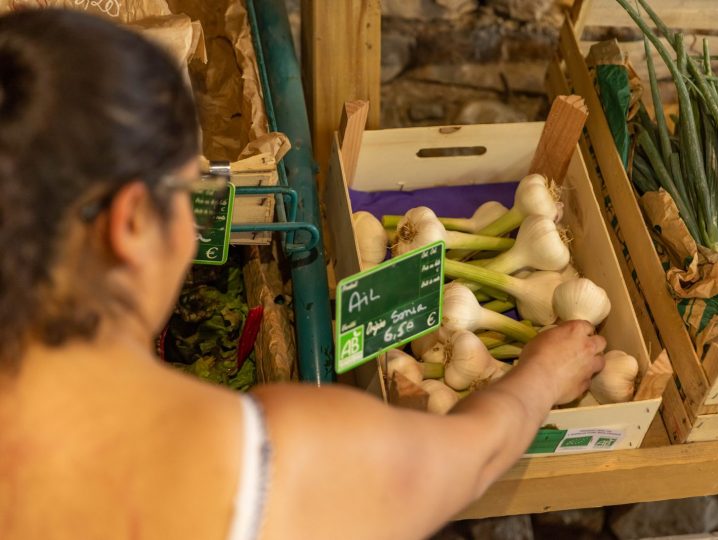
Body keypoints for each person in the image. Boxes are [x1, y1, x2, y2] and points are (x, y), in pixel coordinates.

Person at [0, 8, 606, 540]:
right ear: (131, 224)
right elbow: (470, 458)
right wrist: (542, 375)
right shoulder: (268, 460)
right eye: (190, 188)